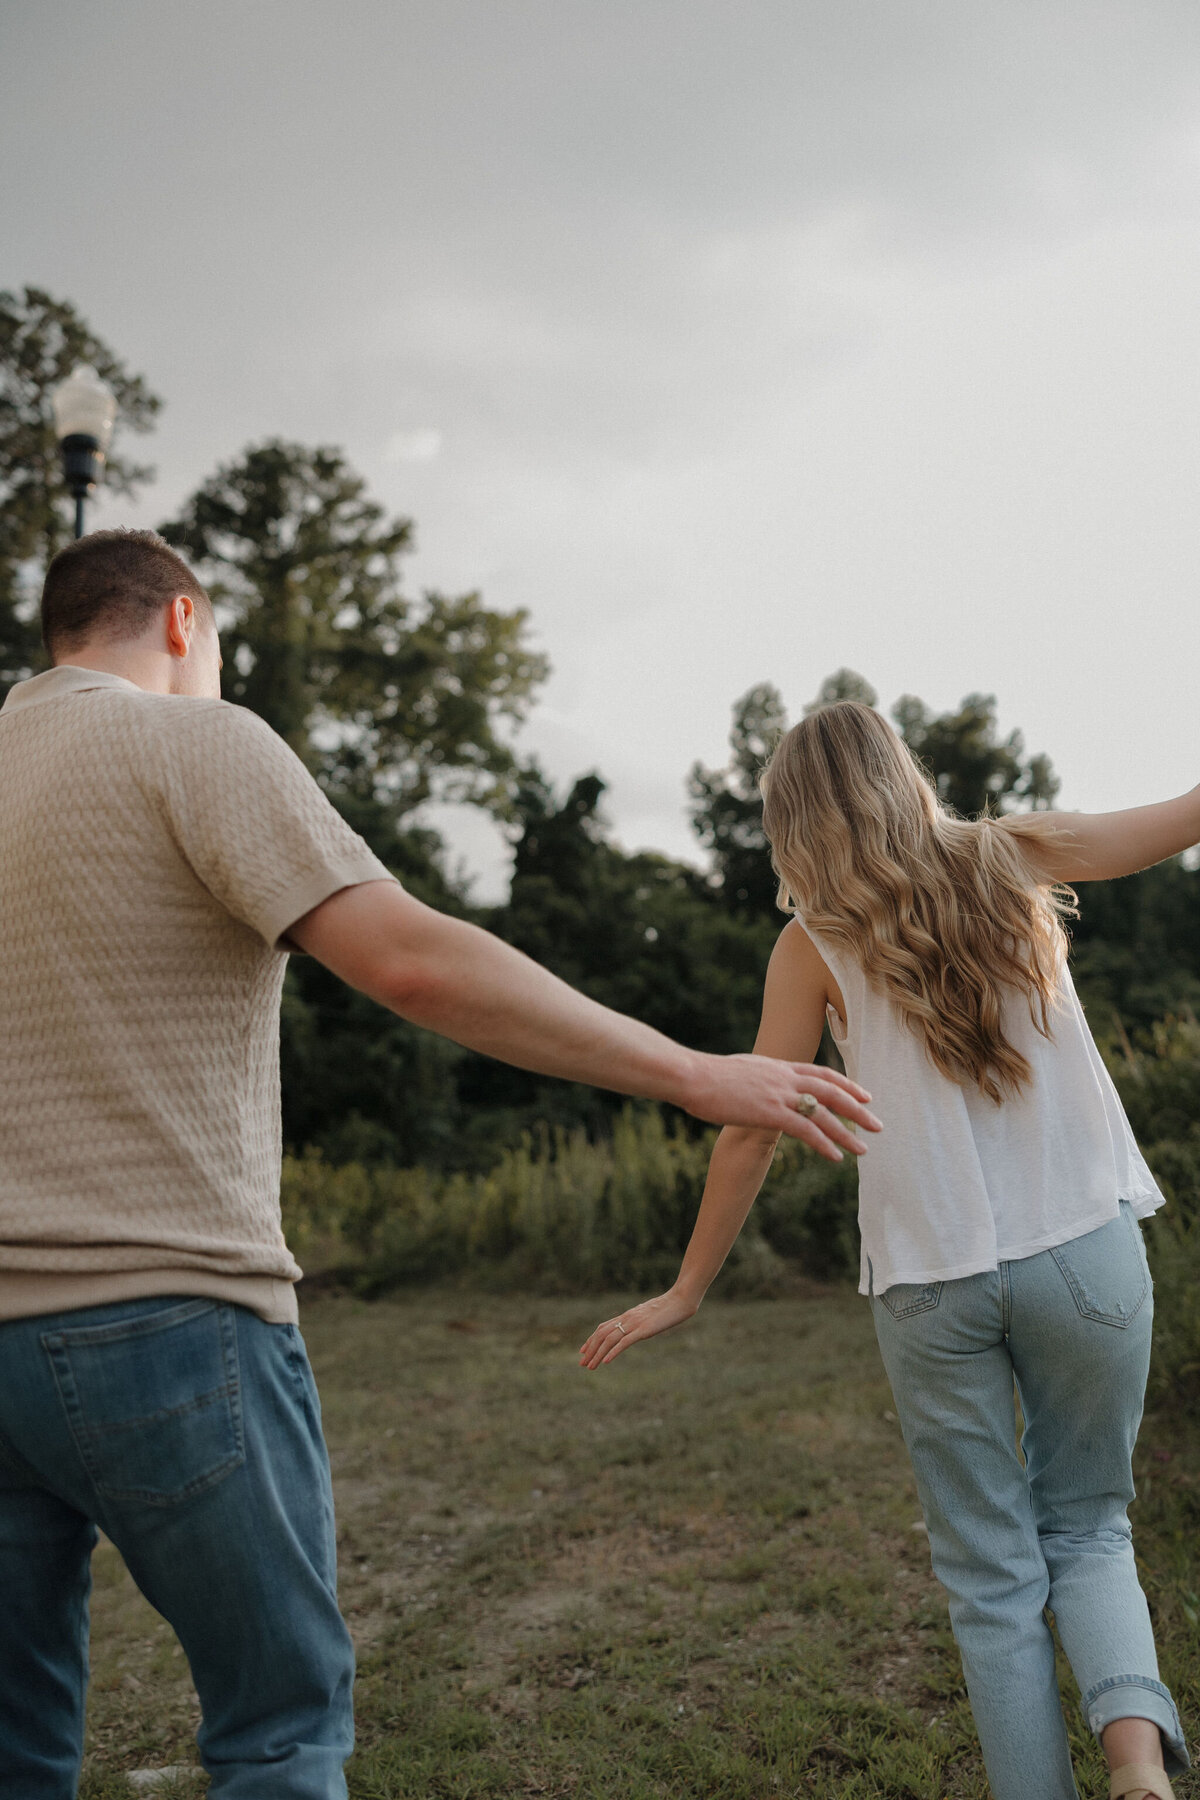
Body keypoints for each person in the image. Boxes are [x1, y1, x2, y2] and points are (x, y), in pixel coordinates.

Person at [0, 529, 881, 1800]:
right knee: (275, 1736)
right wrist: (692, 1071)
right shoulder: (194, 739)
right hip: (167, 1320)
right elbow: (410, 961)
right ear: (183, 622)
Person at [580, 699, 1195, 1800]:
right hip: (1085, 1256)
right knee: (1092, 1526)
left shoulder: (810, 942)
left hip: (932, 1285)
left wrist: (687, 1286)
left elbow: (752, 1128)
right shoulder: (1012, 853)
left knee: (993, 1579)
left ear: (795, 821)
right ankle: (1138, 1766)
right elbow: (1179, 820)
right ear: (902, 774)